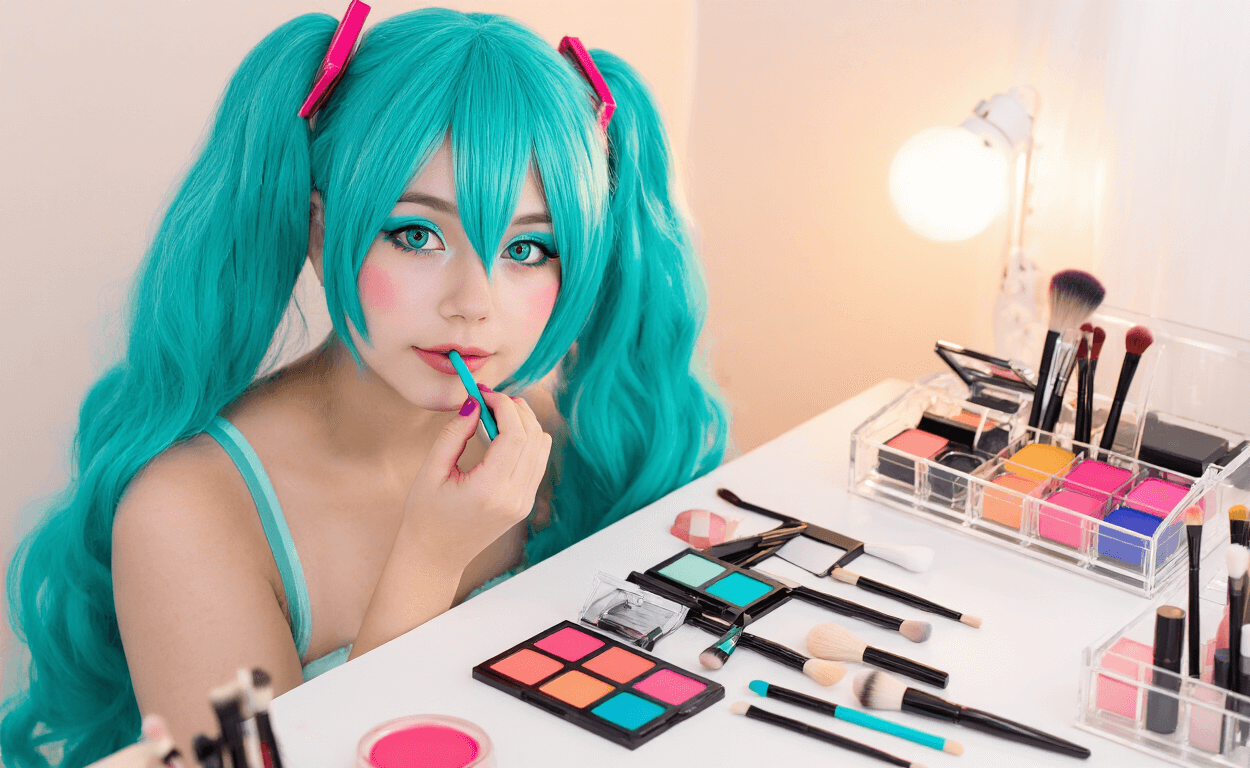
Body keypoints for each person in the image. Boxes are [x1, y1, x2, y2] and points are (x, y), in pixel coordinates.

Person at [2, 7, 728, 766]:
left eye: (527, 247)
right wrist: (425, 563)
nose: (473, 302)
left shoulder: (568, 443)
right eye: (417, 234)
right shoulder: (187, 514)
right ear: (320, 233)